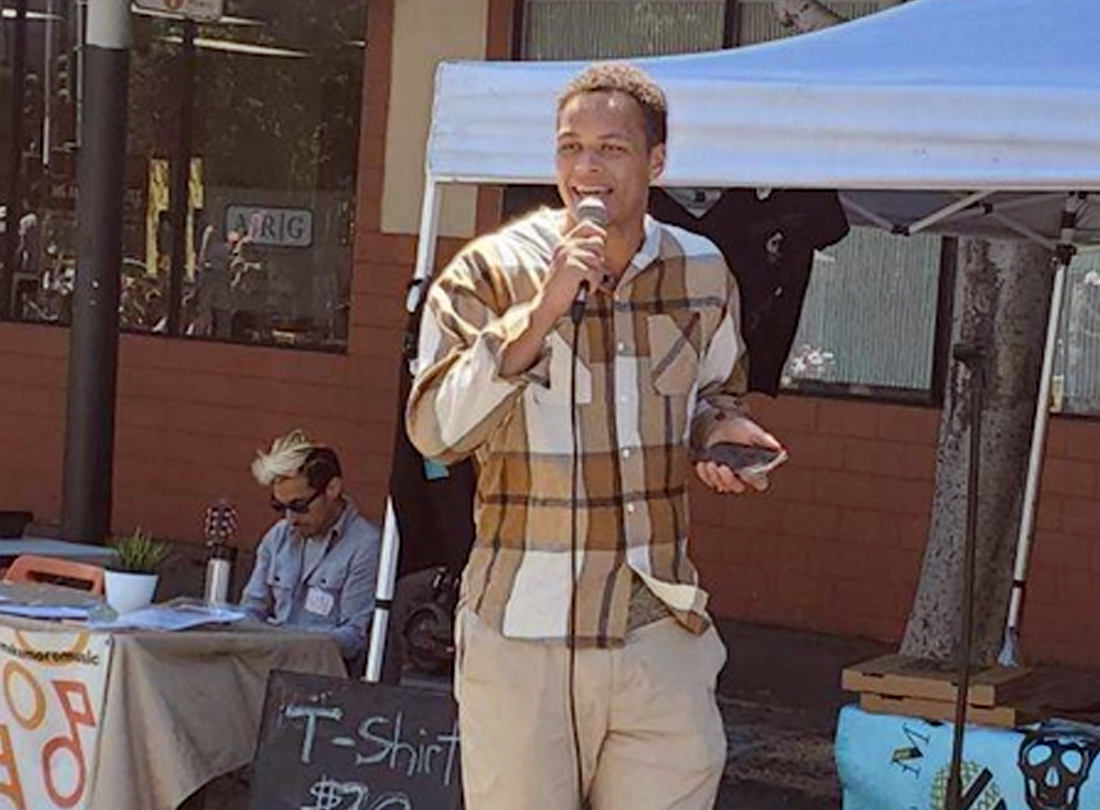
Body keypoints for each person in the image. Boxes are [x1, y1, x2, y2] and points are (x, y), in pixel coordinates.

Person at [406, 62, 784, 810]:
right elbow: (435, 432)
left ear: (657, 161)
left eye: (611, 148)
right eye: (569, 147)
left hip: (655, 626)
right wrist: (539, 313)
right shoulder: (489, 273)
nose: (586, 168)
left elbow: (712, 391)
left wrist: (722, 431)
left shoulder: (701, 271)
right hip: (523, 633)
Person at [241, 430, 381, 673]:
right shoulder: (278, 536)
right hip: (267, 664)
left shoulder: (365, 545)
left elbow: (354, 637)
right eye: (280, 507)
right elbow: (252, 607)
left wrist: (292, 642)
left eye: (300, 506)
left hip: (321, 674)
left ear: (332, 488)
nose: (291, 518)